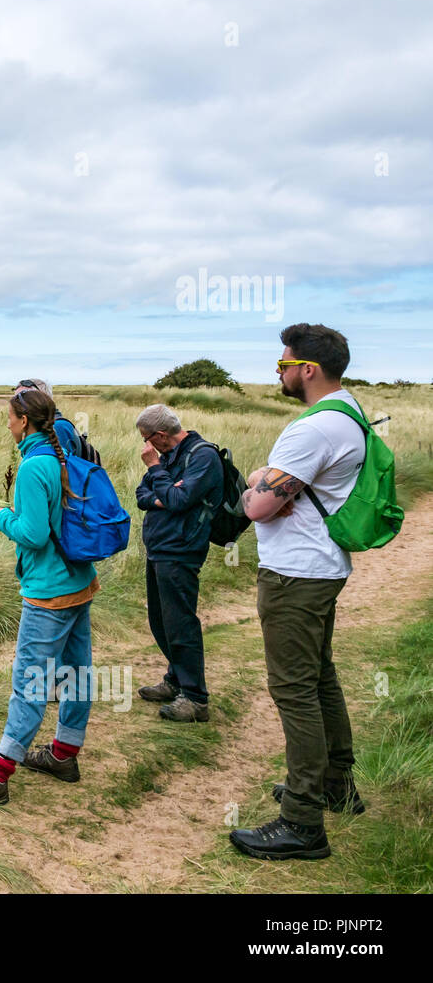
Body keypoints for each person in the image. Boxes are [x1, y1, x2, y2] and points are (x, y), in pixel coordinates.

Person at [229, 324, 367, 861]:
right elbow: (278, 490)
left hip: (296, 573)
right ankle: (336, 785)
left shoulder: (312, 429)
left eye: (282, 365)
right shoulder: (350, 411)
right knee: (320, 677)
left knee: (293, 690)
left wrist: (255, 485)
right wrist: (269, 479)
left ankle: (302, 822)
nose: (280, 373)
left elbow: (258, 505)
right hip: (324, 566)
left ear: (307, 369)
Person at [0, 386, 99, 809]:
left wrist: (1, 518)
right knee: (74, 671)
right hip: (79, 581)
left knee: (30, 682)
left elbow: (33, 535)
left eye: (10, 417)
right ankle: (64, 754)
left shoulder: (34, 467)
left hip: (48, 591)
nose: (7, 423)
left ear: (24, 421)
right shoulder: (63, 455)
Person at [133, 403, 225, 722]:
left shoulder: (202, 456)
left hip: (181, 550)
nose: (145, 446)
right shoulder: (171, 456)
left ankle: (196, 699)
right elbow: (142, 496)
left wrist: (157, 472)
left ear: (160, 435)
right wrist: (165, 493)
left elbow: (178, 500)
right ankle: (176, 681)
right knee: (161, 621)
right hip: (159, 548)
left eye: (147, 438)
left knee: (180, 623)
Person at [21, 378, 84, 459]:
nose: (16, 405)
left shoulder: (58, 427)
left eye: (23, 399)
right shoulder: (41, 427)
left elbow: (59, 468)